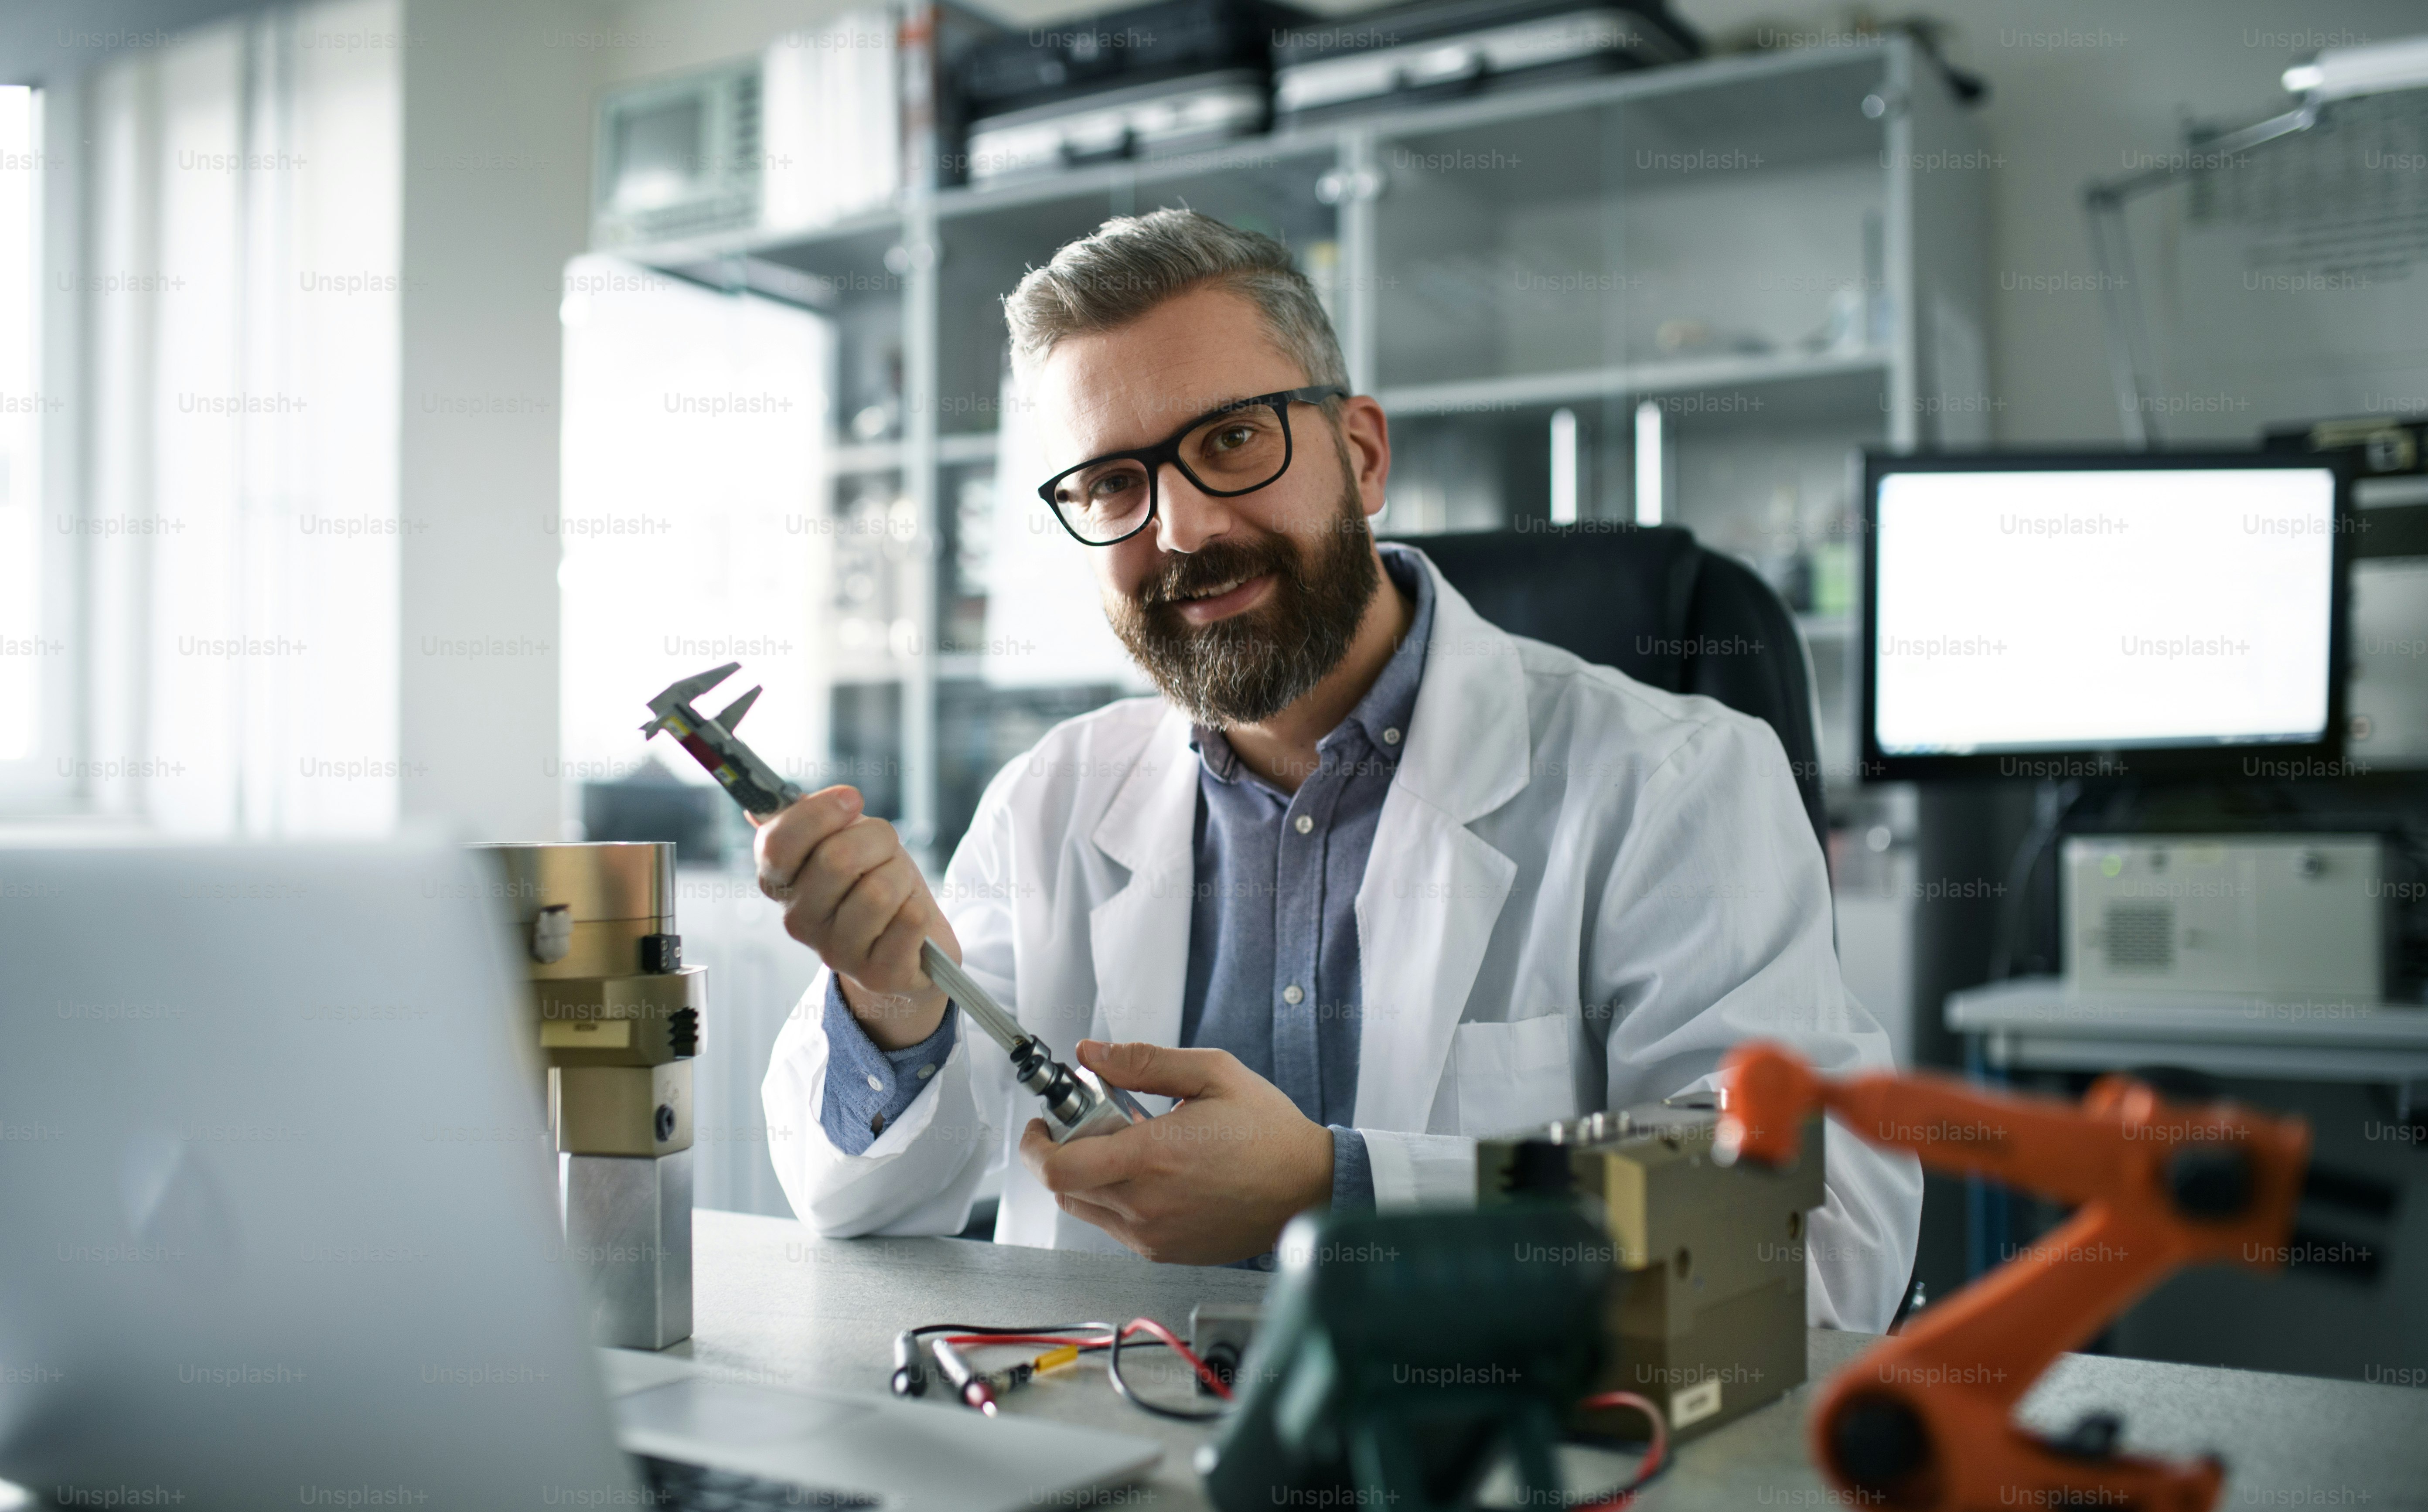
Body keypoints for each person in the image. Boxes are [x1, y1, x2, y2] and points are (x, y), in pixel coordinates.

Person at [757, 208, 1920, 1328]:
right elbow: (856, 1204)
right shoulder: (1048, 803)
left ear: (1360, 455)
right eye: (1113, 483)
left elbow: (1818, 1244)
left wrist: (1341, 1189)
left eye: (1231, 440)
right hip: (1106, 1459)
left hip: (1512, 1478)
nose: (1184, 528)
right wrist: (896, 1008)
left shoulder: (1675, 783)